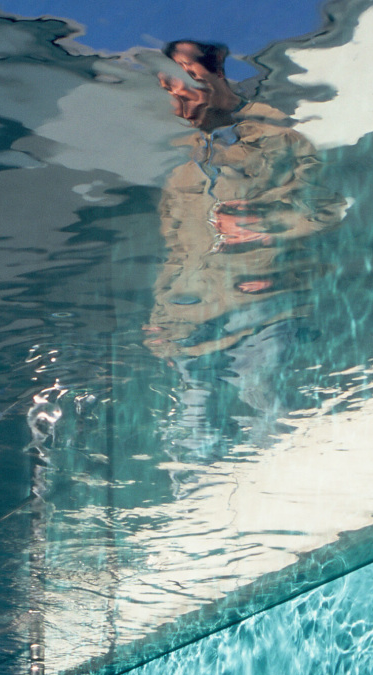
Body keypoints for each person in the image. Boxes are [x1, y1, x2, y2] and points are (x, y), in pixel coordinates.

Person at [144, 40, 346, 463]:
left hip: (263, 306)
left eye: (189, 84)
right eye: (172, 93)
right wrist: (162, 319)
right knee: (194, 431)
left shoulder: (282, 142)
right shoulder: (181, 172)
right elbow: (176, 253)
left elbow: (329, 209)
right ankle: (202, 515)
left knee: (272, 414)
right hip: (192, 319)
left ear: (217, 76)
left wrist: (268, 226)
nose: (181, 104)